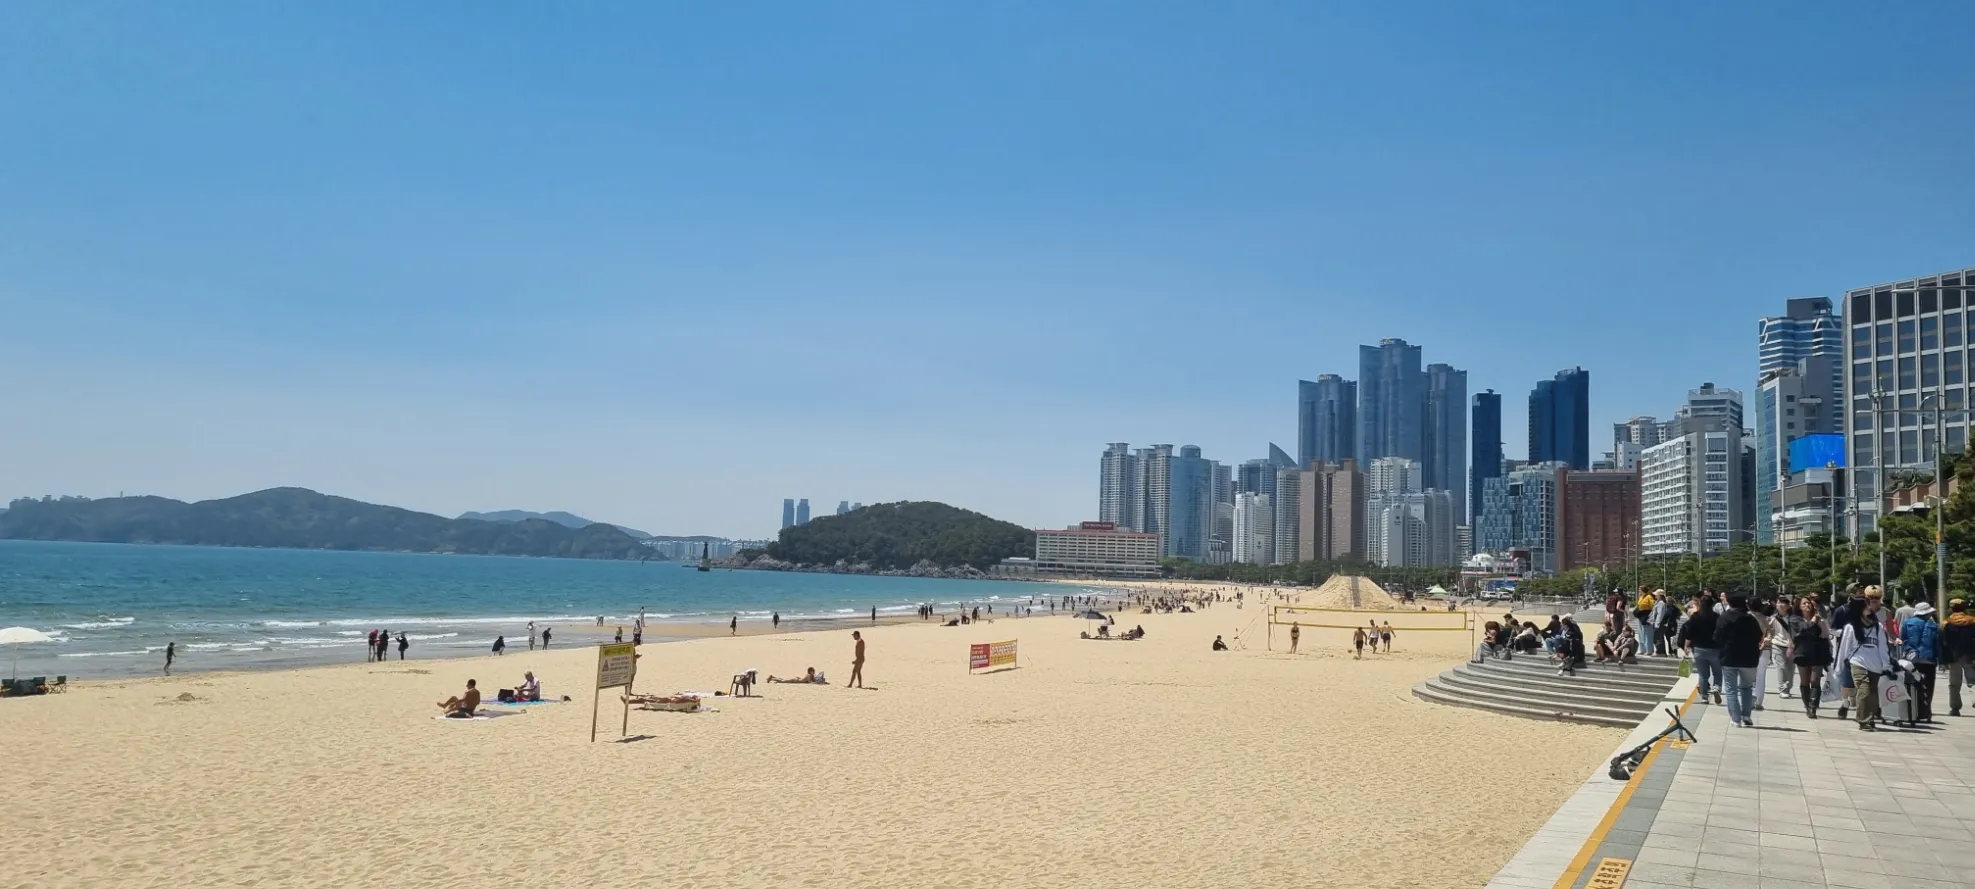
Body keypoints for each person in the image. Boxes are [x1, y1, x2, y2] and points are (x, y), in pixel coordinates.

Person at [1837, 588, 1890, 730]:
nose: (1870, 607)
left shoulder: (1878, 626)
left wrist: (1886, 665)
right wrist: (1839, 668)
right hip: (1858, 662)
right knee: (1864, 690)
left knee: (1873, 694)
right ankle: (1863, 719)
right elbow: (1844, 648)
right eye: (1867, 605)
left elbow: (1883, 647)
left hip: (1875, 664)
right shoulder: (1850, 627)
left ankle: (1869, 717)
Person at [1714, 595, 1766, 728]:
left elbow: (1717, 637)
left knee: (1731, 690)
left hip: (1729, 657)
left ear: (1729, 603)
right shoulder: (1750, 619)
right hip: (1749, 658)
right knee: (1747, 688)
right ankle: (1746, 715)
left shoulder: (1724, 617)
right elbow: (1759, 635)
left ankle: (1735, 719)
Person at [1786, 597, 1832, 719]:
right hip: (1802, 651)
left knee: (1815, 680)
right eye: (1804, 603)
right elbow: (1803, 630)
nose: (1807, 605)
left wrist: (1820, 619)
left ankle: (1813, 708)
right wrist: (1813, 621)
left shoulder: (1818, 617)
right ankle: (1807, 706)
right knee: (1804, 680)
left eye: (1809, 603)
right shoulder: (1794, 619)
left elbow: (1826, 633)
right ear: (1799, 606)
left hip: (1818, 651)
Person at [1900, 602, 1941, 723]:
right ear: (1927, 613)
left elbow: (1902, 638)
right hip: (1929, 659)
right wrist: (1941, 660)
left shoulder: (1907, 623)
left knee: (1912, 684)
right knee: (1928, 686)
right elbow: (1937, 644)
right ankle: (1926, 712)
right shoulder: (1934, 625)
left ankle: (1913, 710)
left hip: (1911, 658)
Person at [1679, 593, 1724, 705]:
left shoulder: (1695, 616)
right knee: (1717, 672)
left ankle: (1704, 696)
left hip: (1699, 648)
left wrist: (1686, 646)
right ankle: (1716, 688)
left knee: (1703, 675)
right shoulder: (1716, 617)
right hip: (1714, 648)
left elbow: (1689, 633)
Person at [1942, 598, 1974, 717]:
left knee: (1954, 683)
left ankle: (1955, 708)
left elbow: (1944, 642)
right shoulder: (1972, 621)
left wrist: (1943, 659)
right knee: (1973, 680)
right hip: (1969, 655)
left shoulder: (1946, 623)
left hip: (1953, 656)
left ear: (1951, 608)